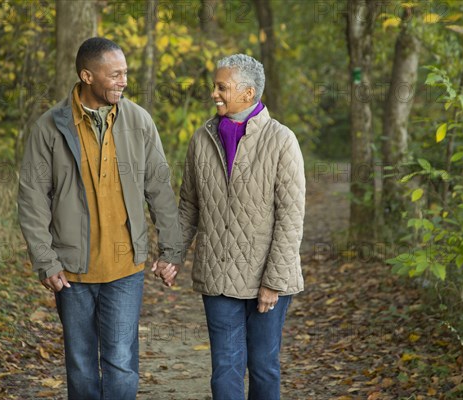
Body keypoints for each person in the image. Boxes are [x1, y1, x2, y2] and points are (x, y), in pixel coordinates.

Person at [17, 37, 181, 400]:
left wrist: (171, 250)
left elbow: (159, 189)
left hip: (125, 268)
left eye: (126, 73)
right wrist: (45, 260)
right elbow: (32, 200)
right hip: (72, 272)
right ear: (87, 75)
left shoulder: (138, 121)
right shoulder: (50, 128)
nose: (124, 81)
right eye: (116, 74)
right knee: (80, 364)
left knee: (121, 362)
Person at [178, 54, 306, 400]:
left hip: (268, 279)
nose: (214, 93)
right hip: (218, 276)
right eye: (215, 86)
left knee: (263, 366)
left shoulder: (282, 141)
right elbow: (189, 204)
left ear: (248, 93)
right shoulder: (201, 139)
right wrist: (171, 256)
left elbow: (291, 218)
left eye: (222, 87)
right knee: (225, 369)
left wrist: (274, 282)